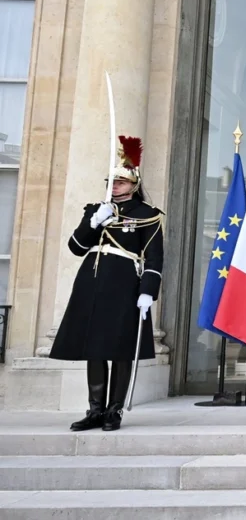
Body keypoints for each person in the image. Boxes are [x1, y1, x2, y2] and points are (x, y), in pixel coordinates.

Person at [51, 135, 164, 432]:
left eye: (121, 182)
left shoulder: (147, 215)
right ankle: (95, 410)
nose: (114, 186)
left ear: (134, 184)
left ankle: (114, 411)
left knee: (121, 348)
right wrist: (94, 222)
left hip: (124, 284)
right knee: (95, 347)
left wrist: (147, 292)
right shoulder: (96, 210)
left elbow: (154, 257)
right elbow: (76, 247)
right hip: (92, 282)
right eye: (112, 181)